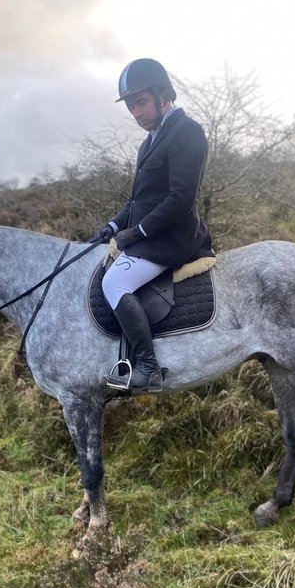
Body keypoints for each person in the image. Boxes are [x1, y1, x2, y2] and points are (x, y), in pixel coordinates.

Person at [90, 58, 213, 392]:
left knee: (114, 283)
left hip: (174, 237)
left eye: (140, 103)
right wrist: (113, 227)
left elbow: (181, 198)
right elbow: (137, 202)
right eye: (131, 108)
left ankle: (148, 367)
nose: (137, 113)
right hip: (152, 235)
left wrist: (137, 232)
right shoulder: (148, 143)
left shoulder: (187, 132)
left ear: (162, 95)